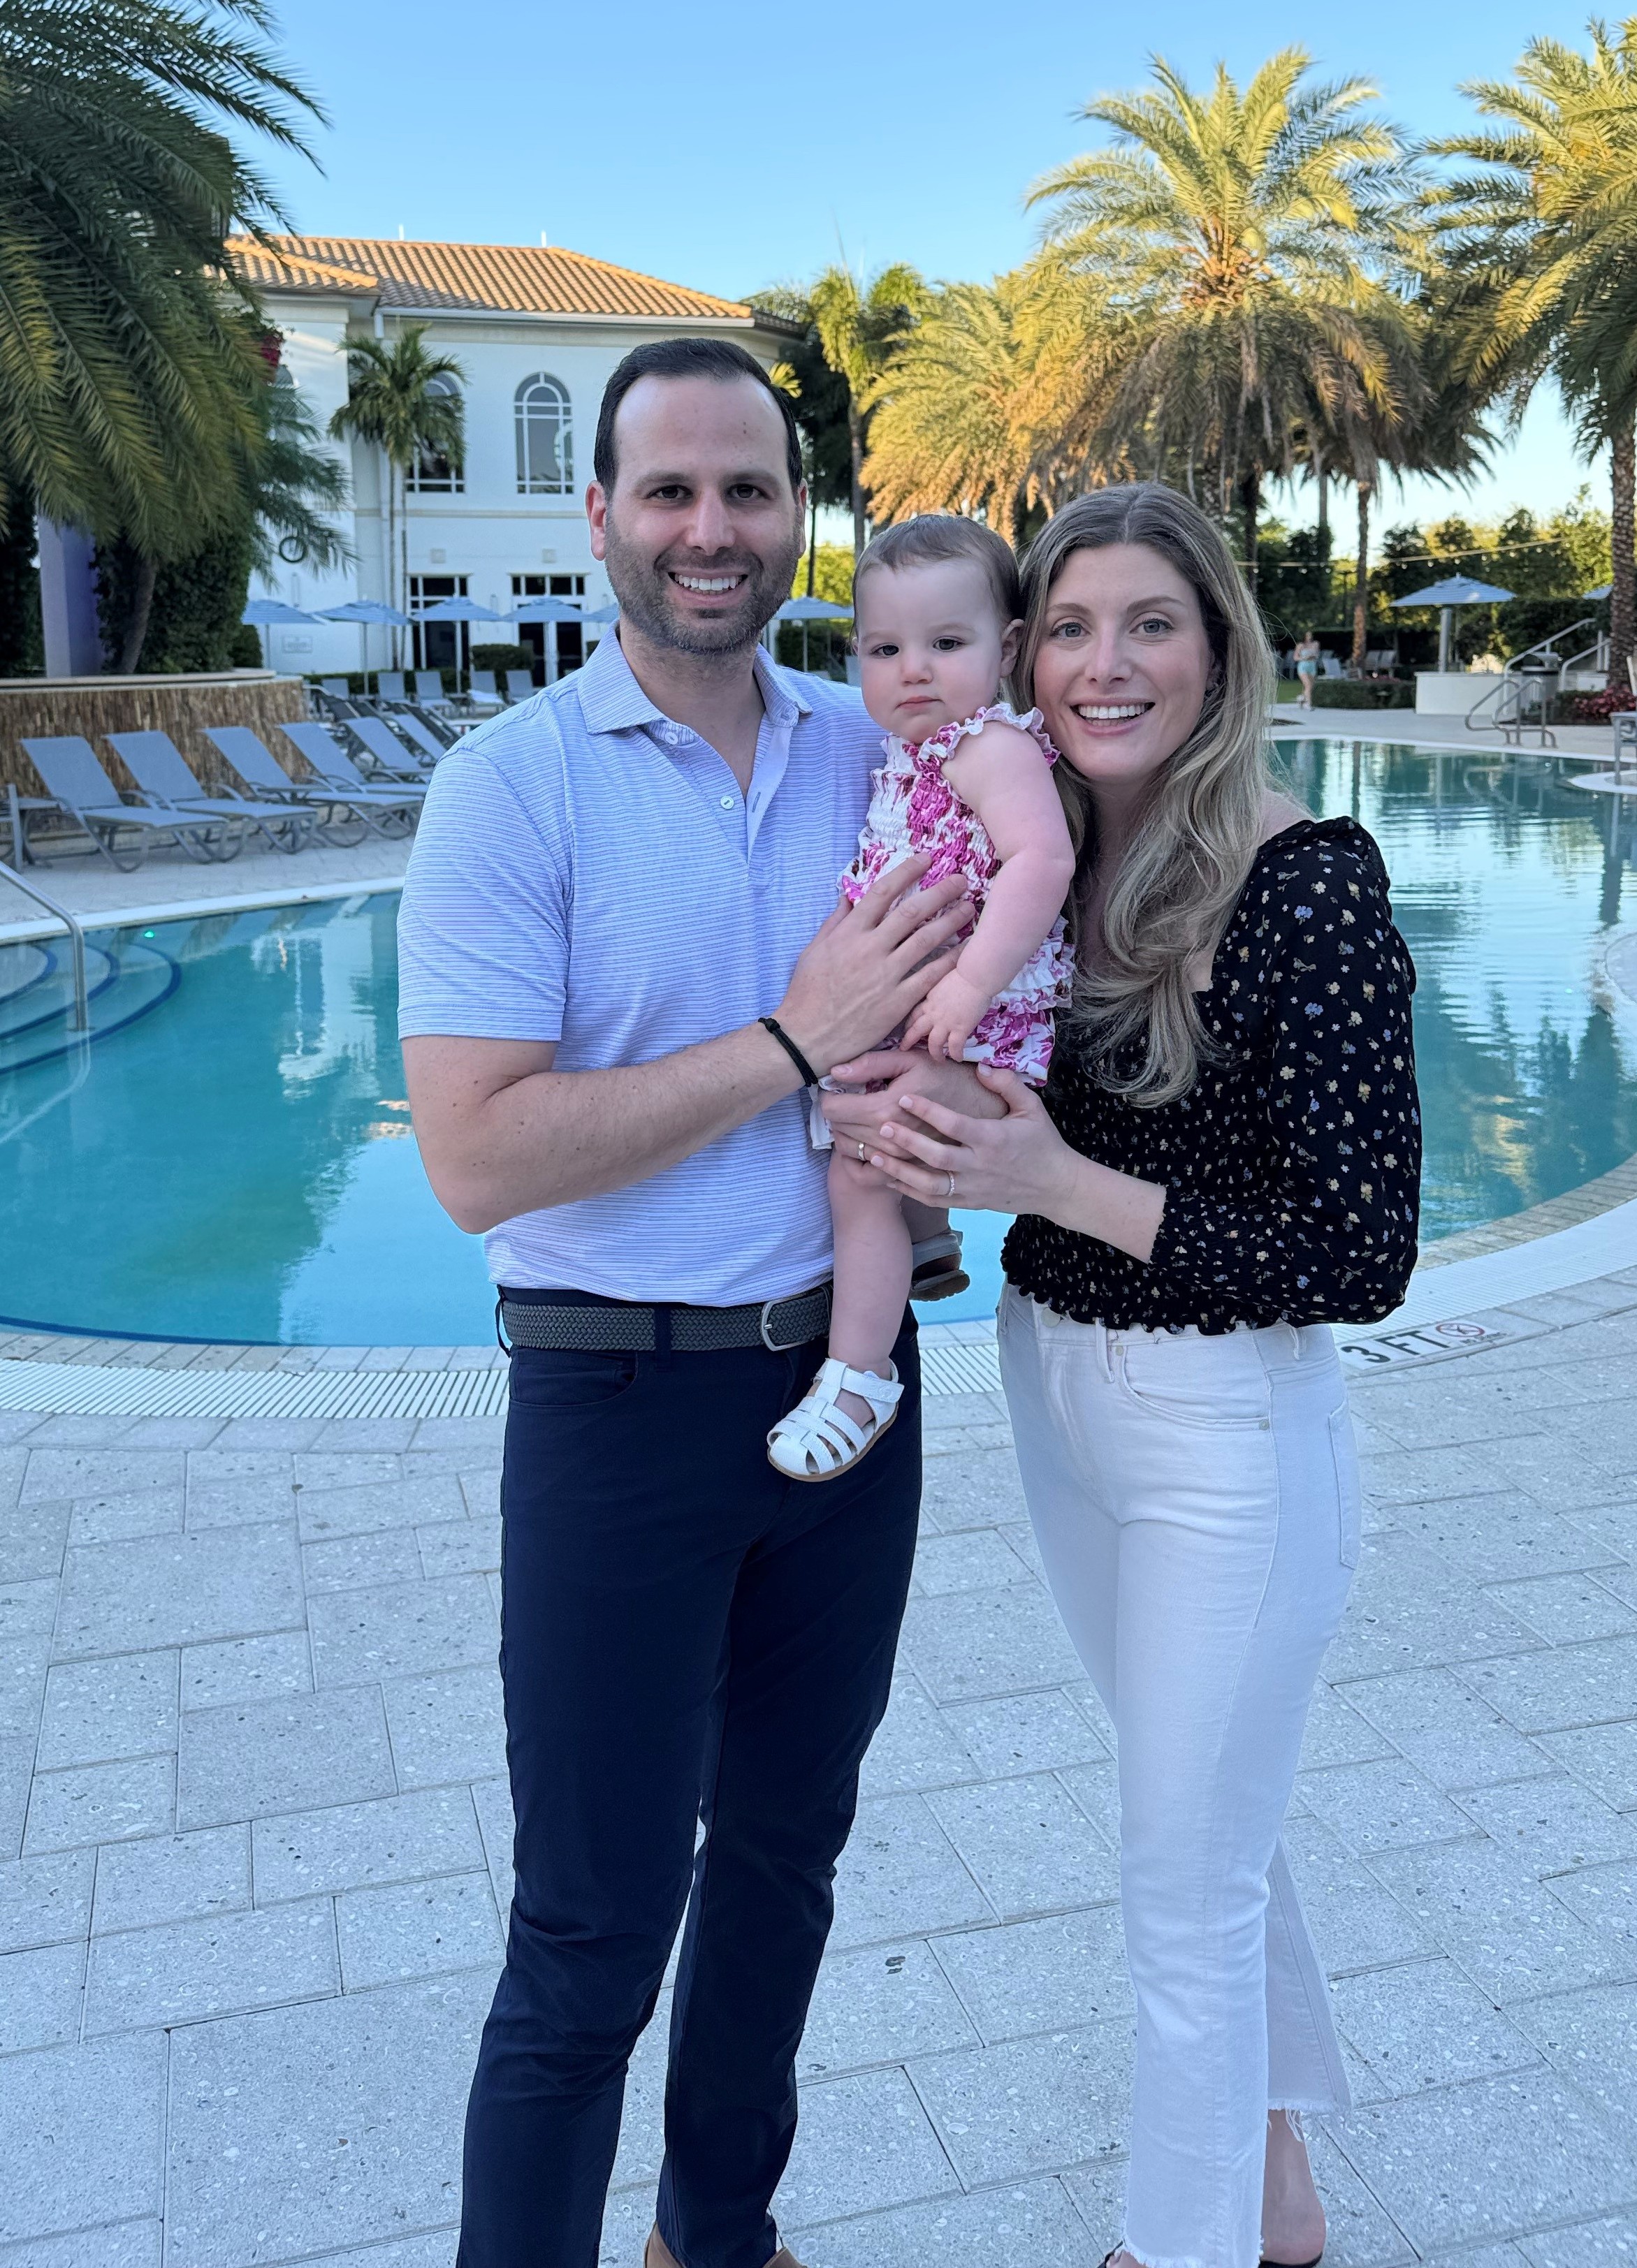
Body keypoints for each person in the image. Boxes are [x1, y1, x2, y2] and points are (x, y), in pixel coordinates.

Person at [398, 336, 980, 2268]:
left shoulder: (873, 754)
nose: (709, 527)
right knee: (589, 1927)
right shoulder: (509, 789)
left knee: (786, 1864)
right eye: (669, 489)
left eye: (747, 488)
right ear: (600, 516)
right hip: (614, 1410)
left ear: (797, 513)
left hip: (846, 1384)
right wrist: (788, 1040)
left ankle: (716, 2233)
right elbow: (475, 1156)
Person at [831, 484, 1420, 2268]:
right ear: (1023, 660)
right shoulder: (1042, 869)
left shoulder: (1305, 884)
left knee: (1180, 1886)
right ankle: (1275, 2196)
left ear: (1216, 651)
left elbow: (1360, 1253)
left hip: (1225, 1435)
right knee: (1212, 1831)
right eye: (1070, 626)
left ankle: (1176, 2245)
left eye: (1148, 622)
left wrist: (1047, 1178)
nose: (1104, 662)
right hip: (1058, 1394)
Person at [767, 515, 1074, 1481]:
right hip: (935, 1006)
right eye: (885, 649)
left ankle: (862, 1376)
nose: (913, 670)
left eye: (945, 642)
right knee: (861, 1144)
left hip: (977, 1013)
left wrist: (972, 982)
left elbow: (1042, 860)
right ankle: (927, 1237)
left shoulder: (988, 746)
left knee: (856, 1172)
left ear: (1006, 648)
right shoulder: (919, 751)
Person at [1293, 629, 1321, 708]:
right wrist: (1304, 658)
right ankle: (1309, 703)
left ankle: (1302, 698)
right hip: (1303, 666)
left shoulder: (1315, 644)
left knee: (1311, 686)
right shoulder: (1300, 645)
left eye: (1310, 635)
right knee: (1308, 684)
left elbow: (1317, 655)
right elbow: (1295, 657)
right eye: (1308, 635)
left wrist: (1313, 656)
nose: (1309, 637)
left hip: (1312, 666)